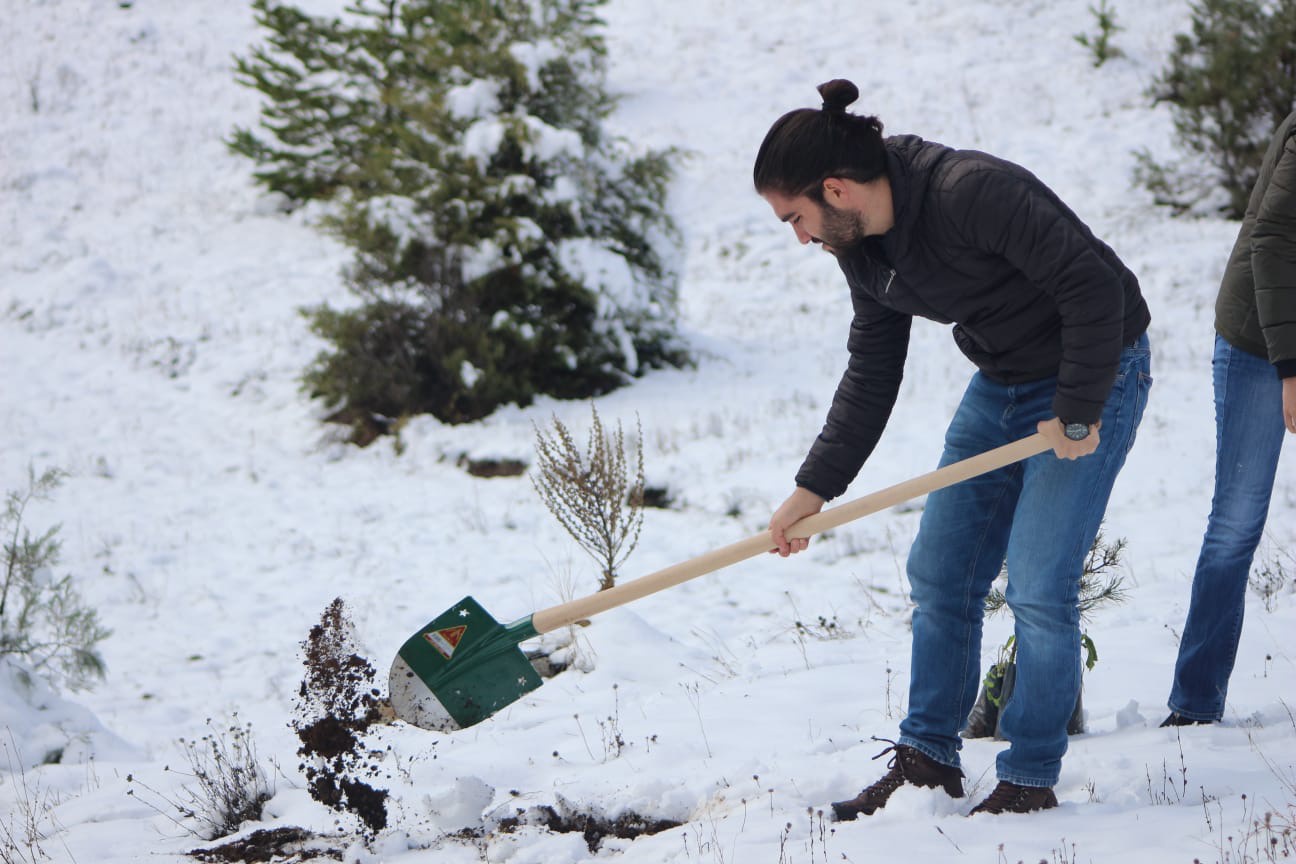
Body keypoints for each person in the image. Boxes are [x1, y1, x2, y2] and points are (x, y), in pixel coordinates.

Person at [754, 79, 1153, 817]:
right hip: (1002, 382)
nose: (800, 237)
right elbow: (873, 368)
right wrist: (814, 488)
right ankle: (928, 760)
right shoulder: (860, 246)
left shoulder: (969, 192)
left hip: (1096, 368)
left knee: (1038, 583)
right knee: (940, 571)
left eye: (795, 218)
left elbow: (1093, 288)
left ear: (835, 189)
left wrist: (1077, 410)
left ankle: (1029, 775)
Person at [1163, 109, 1296, 727]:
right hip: (1260, 346)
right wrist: (1289, 369)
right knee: (1236, 526)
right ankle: (1194, 703)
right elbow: (1273, 241)